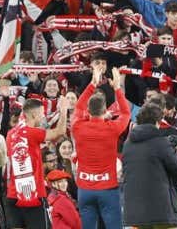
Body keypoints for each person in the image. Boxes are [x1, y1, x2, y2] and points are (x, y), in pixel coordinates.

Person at [71, 65, 130, 229]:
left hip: (84, 189)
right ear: (105, 110)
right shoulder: (112, 127)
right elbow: (126, 113)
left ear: (88, 111)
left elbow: (78, 107)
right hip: (108, 189)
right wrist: (117, 88)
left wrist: (92, 84)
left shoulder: (78, 126)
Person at [5, 97, 72, 229]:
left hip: (13, 194)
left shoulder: (11, 133)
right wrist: (64, 110)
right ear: (34, 115)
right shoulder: (32, 133)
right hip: (33, 195)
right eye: (42, 114)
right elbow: (60, 132)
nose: (43, 118)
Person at [122, 103, 177, 229]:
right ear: (157, 122)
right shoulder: (160, 142)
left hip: (135, 213)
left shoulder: (127, 144)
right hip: (162, 212)